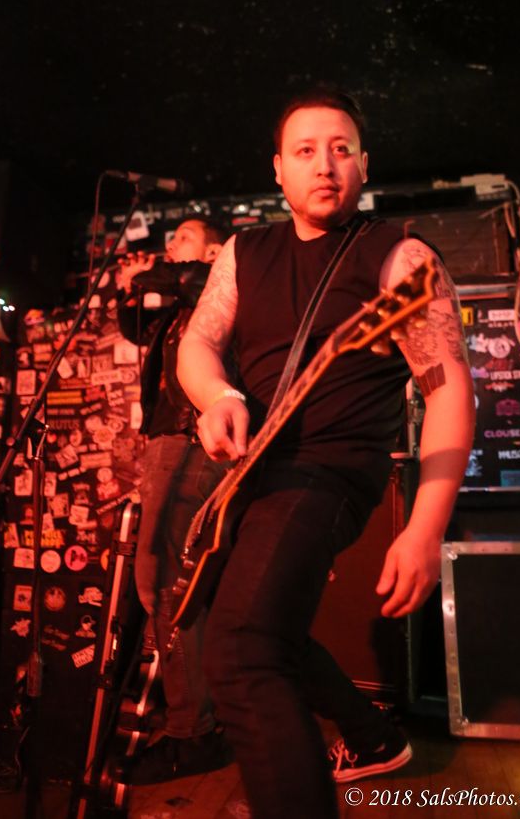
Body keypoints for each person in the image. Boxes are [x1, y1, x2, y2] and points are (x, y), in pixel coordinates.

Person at [176, 88, 475, 818]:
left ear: (364, 165)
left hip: (330, 472)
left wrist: (426, 527)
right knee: (252, 629)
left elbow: (448, 391)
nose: (325, 165)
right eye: (305, 151)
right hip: (255, 473)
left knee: (240, 651)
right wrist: (218, 396)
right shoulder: (245, 252)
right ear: (278, 169)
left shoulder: (400, 256)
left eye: (341, 150)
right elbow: (198, 342)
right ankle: (372, 737)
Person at [116, 217, 232, 783]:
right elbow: (135, 327)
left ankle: (193, 730)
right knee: (177, 584)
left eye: (182, 237)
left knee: (161, 581)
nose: (169, 246)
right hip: (170, 440)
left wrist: (144, 274)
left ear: (212, 250)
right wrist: (127, 290)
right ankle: (200, 714)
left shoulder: (215, 282)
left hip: (189, 439)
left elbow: (185, 279)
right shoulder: (179, 310)